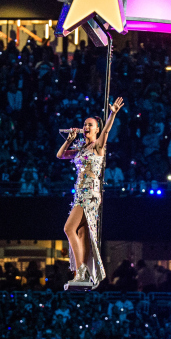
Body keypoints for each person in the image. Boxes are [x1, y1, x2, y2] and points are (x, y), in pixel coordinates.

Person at [56, 97, 125, 287]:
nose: (86, 128)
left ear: (96, 129)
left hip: (90, 194)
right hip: (79, 194)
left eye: (90, 125)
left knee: (69, 228)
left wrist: (112, 113)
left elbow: (107, 131)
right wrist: (69, 140)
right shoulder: (80, 148)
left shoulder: (97, 146)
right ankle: (82, 273)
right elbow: (60, 155)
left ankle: (82, 271)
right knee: (81, 235)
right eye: (84, 125)